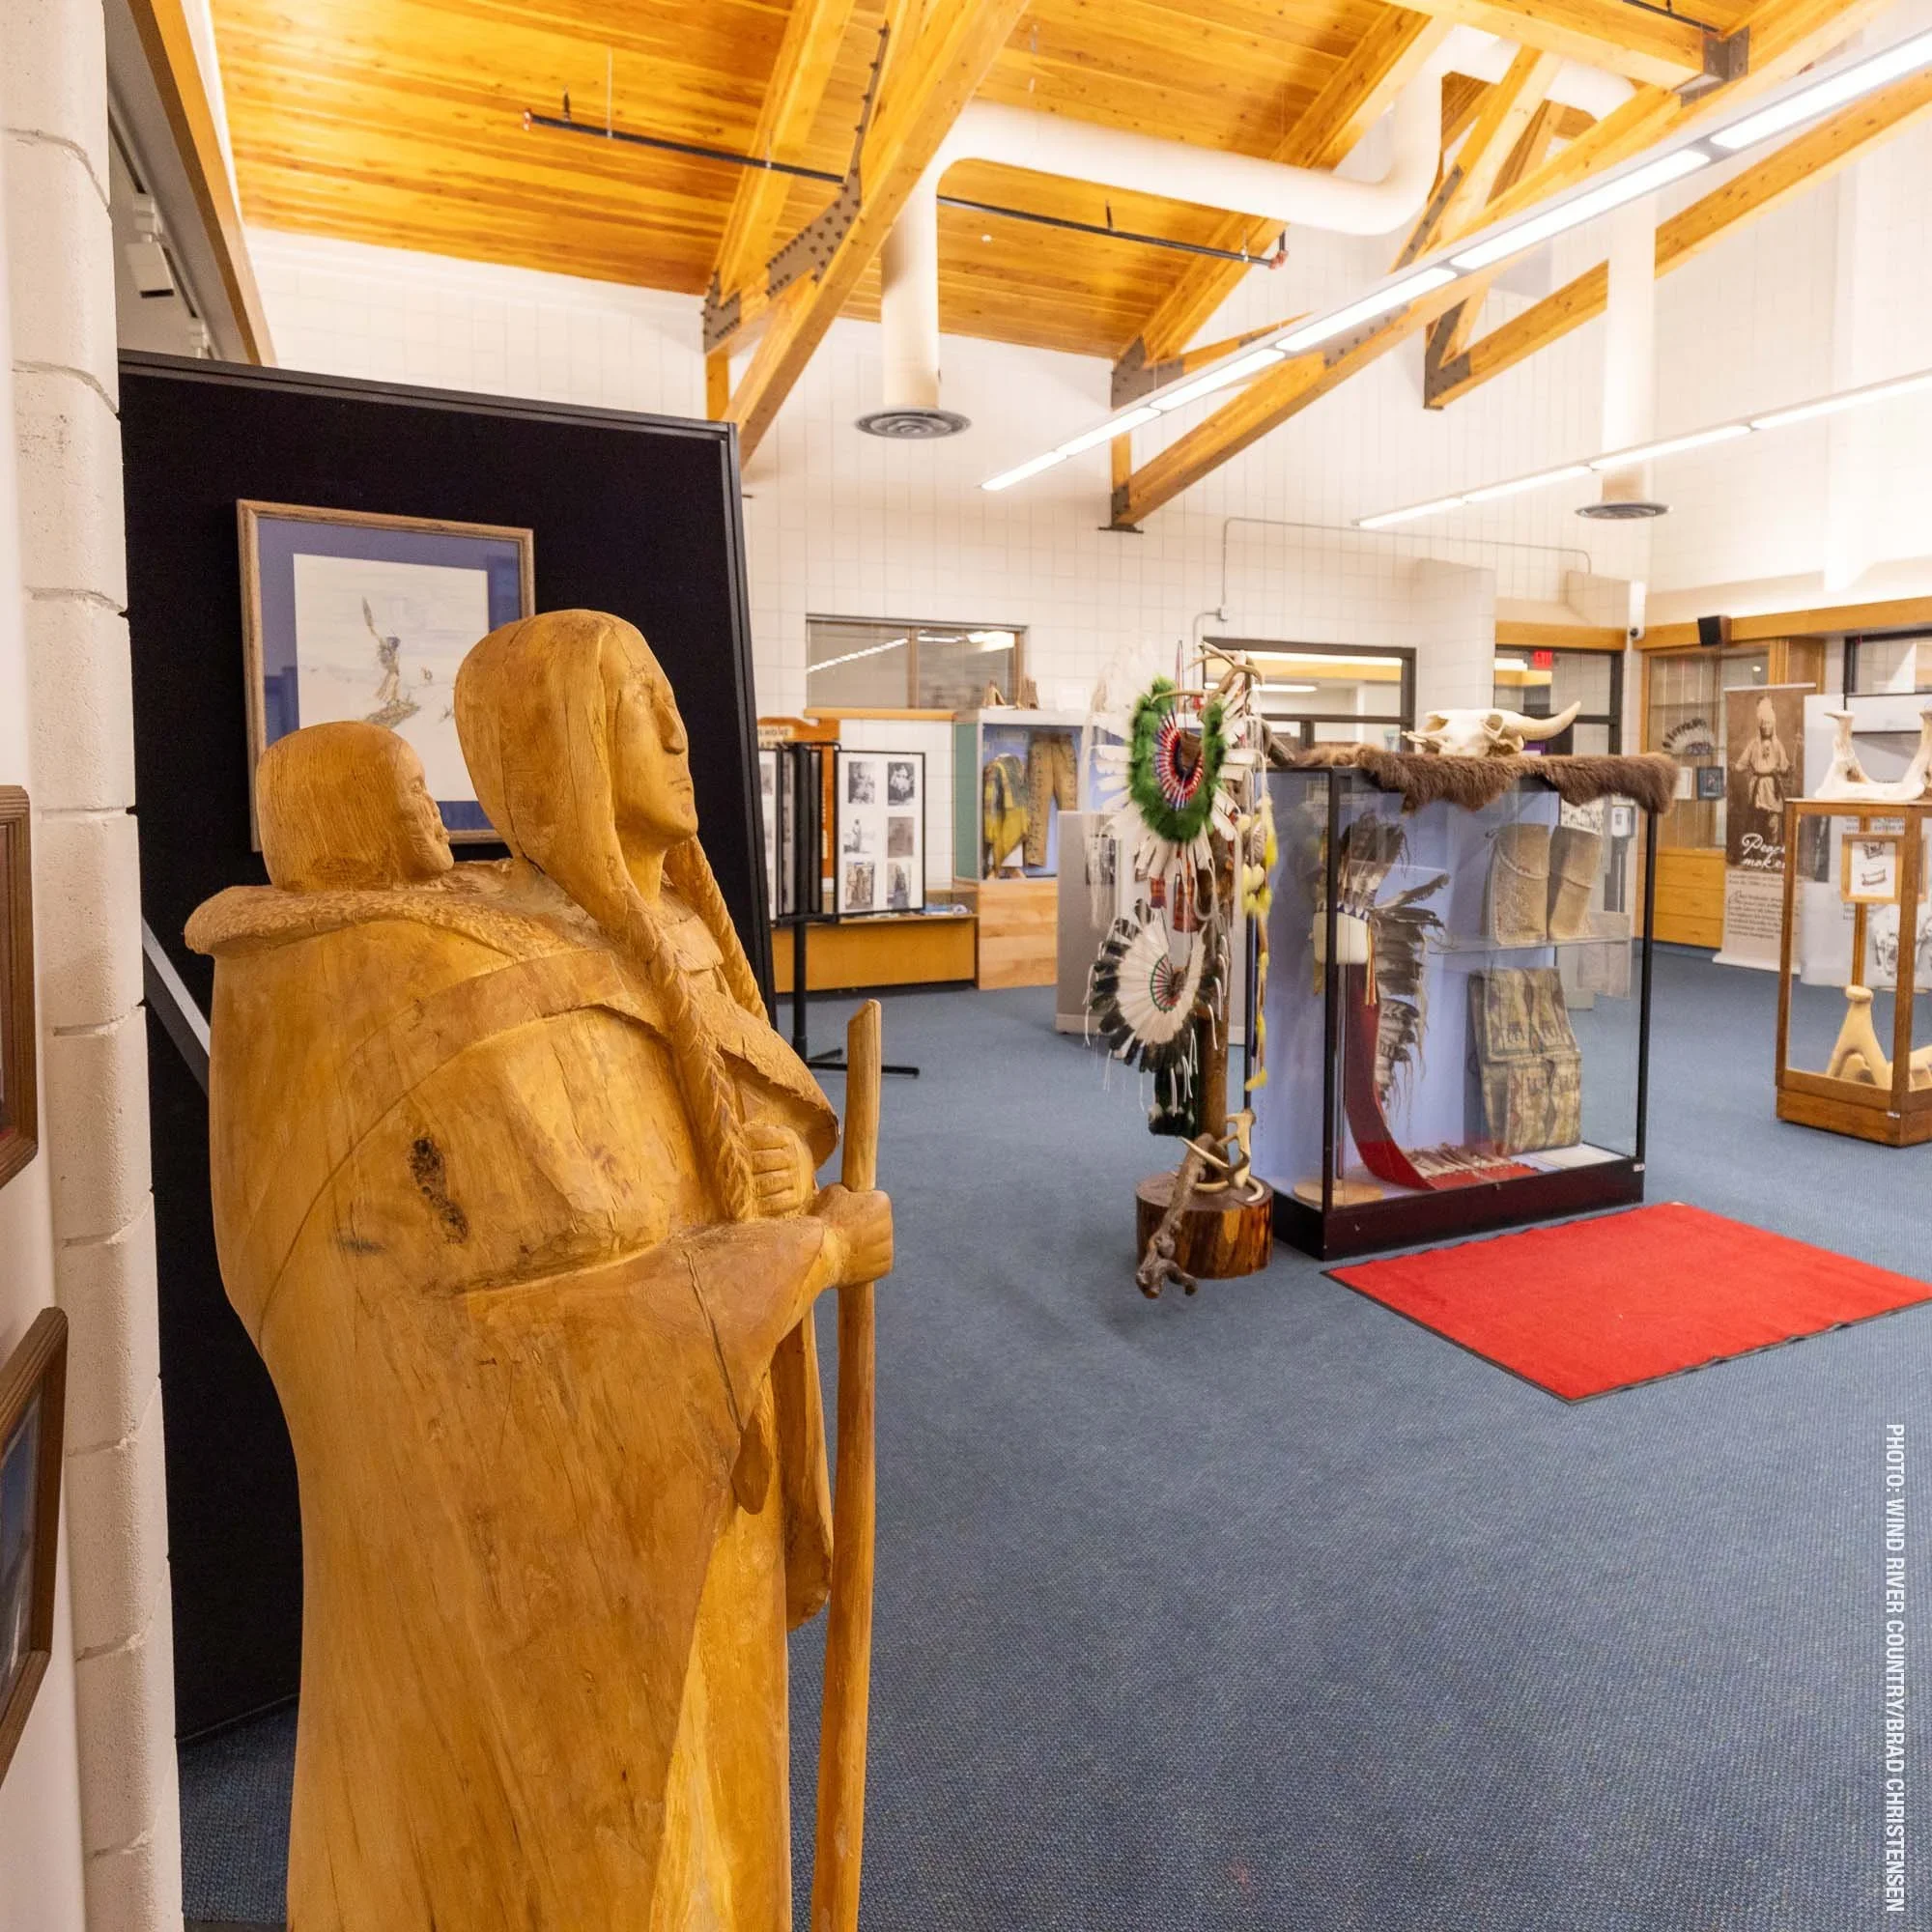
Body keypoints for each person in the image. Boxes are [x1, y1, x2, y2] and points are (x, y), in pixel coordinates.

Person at [188, 610, 891, 1931]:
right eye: (635, 698)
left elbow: (686, 1170)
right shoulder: (439, 973)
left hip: (707, 1495)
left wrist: (783, 1199)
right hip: (563, 1568)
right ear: (551, 740)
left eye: (669, 689)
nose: (680, 727)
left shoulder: (665, 938)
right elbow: (493, 1323)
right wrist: (801, 1251)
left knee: (717, 1815)